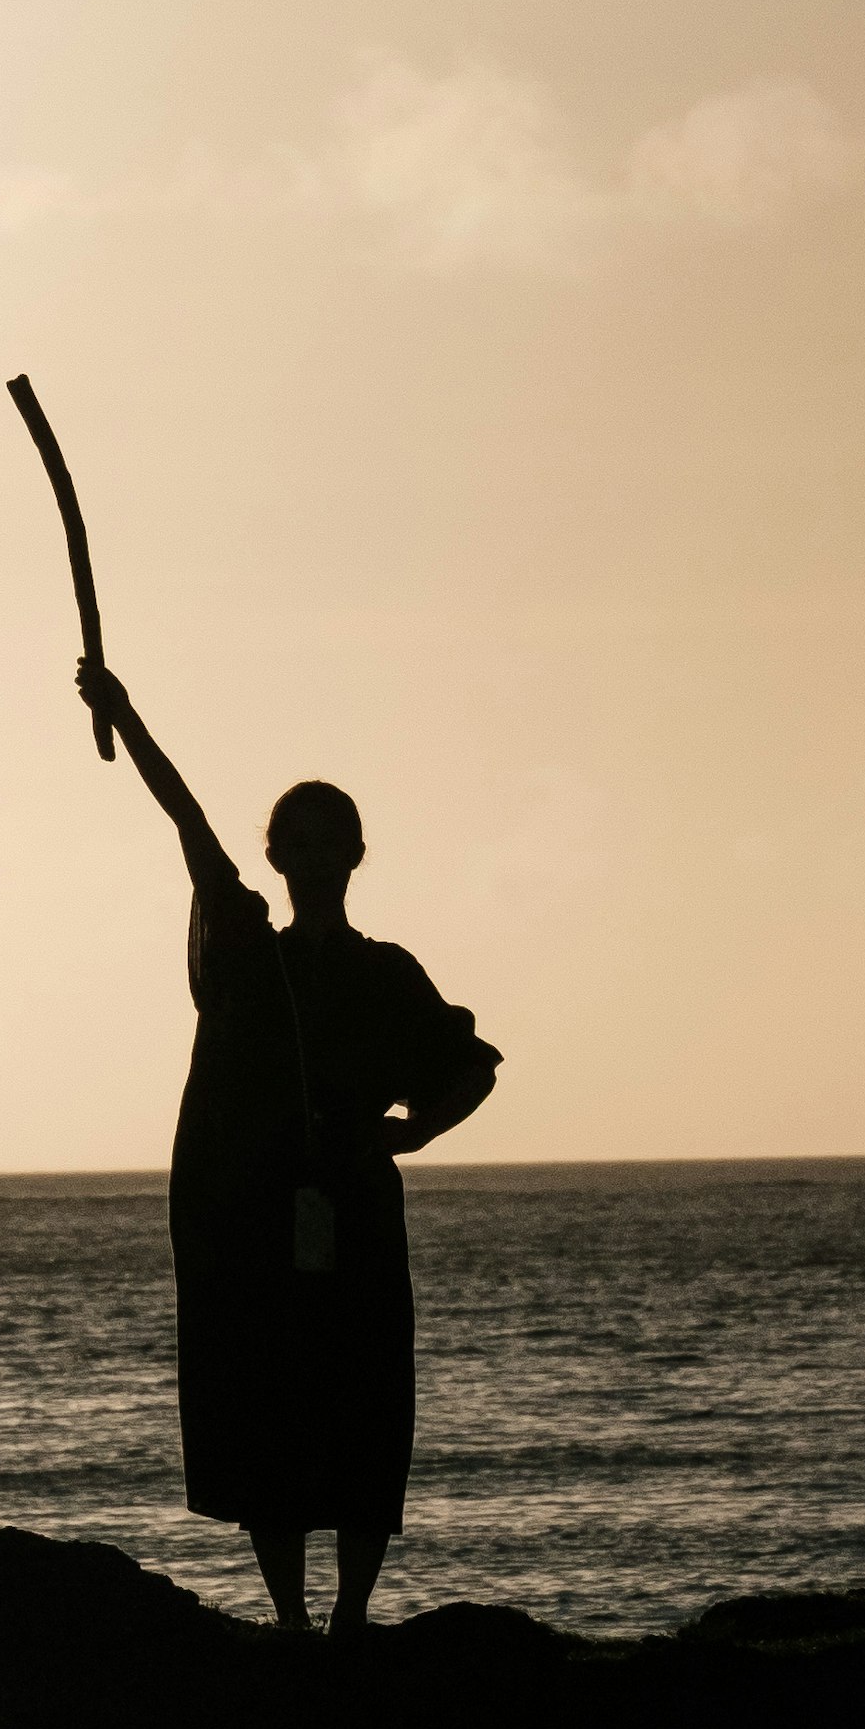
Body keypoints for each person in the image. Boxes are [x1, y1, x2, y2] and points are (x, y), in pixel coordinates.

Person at [74, 657, 499, 1640]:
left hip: (353, 1214)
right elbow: (188, 825)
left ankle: (350, 1616)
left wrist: (412, 1132)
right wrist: (126, 715)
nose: (310, 859)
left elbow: (468, 1068)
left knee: (364, 1407)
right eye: (294, 843)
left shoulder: (384, 974)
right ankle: (293, 1622)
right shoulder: (247, 950)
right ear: (276, 855)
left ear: (354, 855)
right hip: (259, 1218)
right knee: (270, 1407)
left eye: (328, 842)